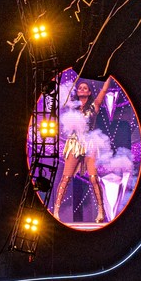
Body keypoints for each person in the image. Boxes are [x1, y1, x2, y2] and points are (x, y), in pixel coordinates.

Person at [53, 77, 114, 224]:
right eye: (80, 88)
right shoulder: (71, 106)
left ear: (89, 92)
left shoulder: (94, 106)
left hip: (89, 142)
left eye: (85, 88)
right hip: (74, 143)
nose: (82, 89)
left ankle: (101, 211)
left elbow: (104, 90)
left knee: (93, 178)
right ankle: (55, 211)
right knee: (66, 178)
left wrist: (110, 75)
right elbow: (59, 95)